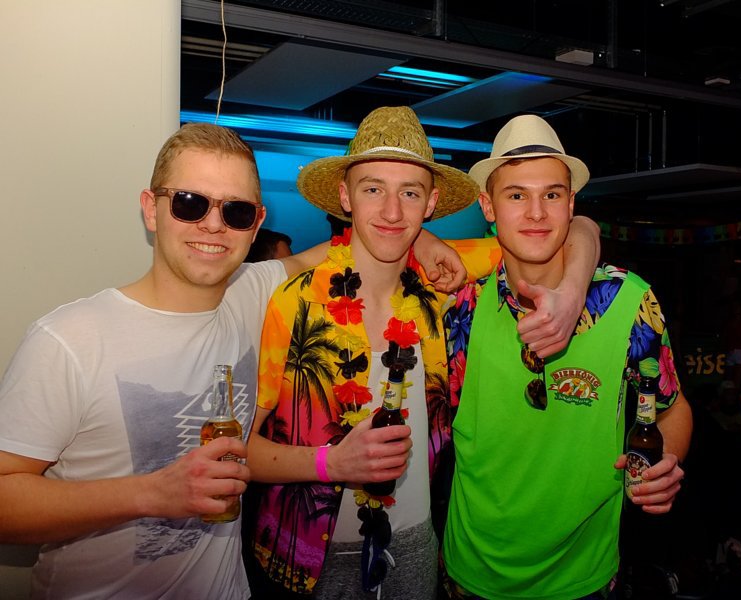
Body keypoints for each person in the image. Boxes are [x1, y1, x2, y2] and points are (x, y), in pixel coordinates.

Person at [0, 122, 468, 599]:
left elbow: (367, 243)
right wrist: (150, 493)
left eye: (236, 211)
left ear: (256, 223)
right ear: (151, 209)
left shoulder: (252, 294)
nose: (213, 225)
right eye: (190, 202)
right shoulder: (70, 340)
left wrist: (420, 238)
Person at [244, 106, 601, 598]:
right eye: (373, 190)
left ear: (430, 203)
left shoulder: (441, 288)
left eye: (410, 193)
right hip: (303, 554)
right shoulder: (292, 304)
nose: (393, 212)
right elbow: (237, 451)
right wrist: (331, 464)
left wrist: (574, 291)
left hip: (415, 548)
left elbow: (569, 230)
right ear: (345, 197)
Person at [440, 114, 693, 599]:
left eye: (552, 195)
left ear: (571, 204)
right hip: (470, 572)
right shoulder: (462, 306)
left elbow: (673, 406)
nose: (536, 213)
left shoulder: (627, 302)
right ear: (488, 206)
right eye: (517, 195)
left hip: (584, 577)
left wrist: (667, 460)